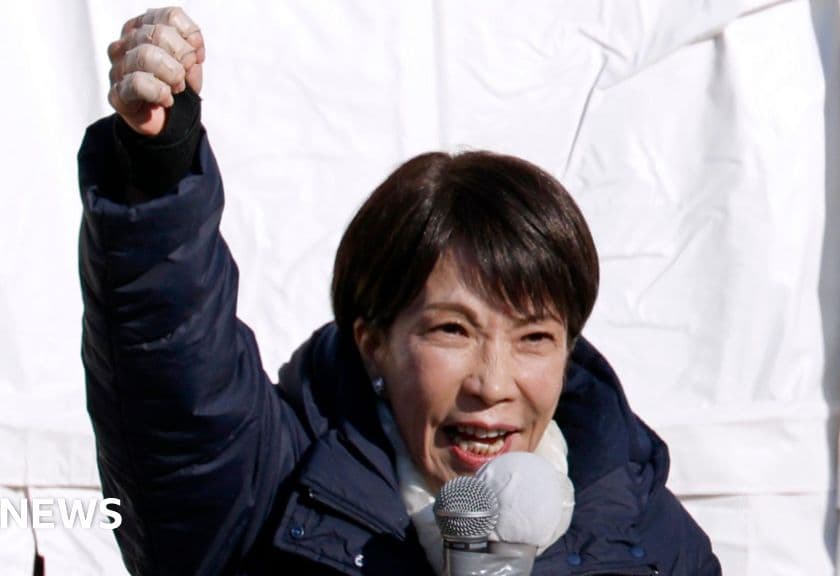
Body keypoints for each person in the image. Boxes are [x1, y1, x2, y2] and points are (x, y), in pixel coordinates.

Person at [78, 7, 721, 575]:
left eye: (534, 338)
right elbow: (178, 408)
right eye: (453, 330)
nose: (492, 383)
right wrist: (158, 175)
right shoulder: (270, 495)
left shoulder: (647, 536)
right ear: (374, 342)